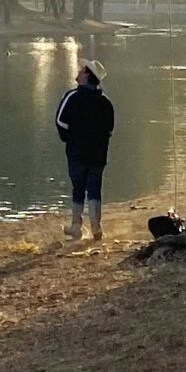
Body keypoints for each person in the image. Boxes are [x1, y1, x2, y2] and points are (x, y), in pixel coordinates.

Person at [54, 59, 114, 240]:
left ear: (87, 75)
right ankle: (96, 227)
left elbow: (60, 122)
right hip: (98, 153)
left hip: (77, 151)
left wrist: (68, 139)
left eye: (81, 70)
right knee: (95, 188)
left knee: (78, 187)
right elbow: (110, 129)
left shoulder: (72, 97)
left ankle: (76, 227)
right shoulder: (105, 102)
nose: (78, 72)